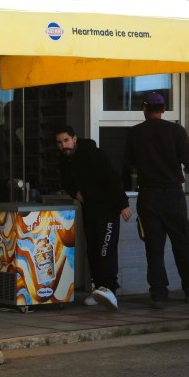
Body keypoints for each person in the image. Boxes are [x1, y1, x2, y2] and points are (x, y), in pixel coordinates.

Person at [123, 91, 189, 309]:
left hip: (148, 196)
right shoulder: (176, 131)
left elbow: (128, 165)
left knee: (154, 247)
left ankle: (158, 294)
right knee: (181, 243)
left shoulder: (135, 133)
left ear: (144, 109)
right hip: (173, 196)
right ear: (164, 110)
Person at [55, 125, 132, 310]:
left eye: (66, 140)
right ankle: (99, 289)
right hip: (90, 210)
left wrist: (123, 204)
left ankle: (110, 290)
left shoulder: (93, 154)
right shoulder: (65, 160)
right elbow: (65, 181)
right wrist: (76, 193)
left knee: (106, 249)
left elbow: (112, 178)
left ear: (74, 139)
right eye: (59, 142)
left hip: (108, 209)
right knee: (94, 251)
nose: (64, 145)